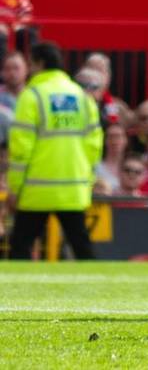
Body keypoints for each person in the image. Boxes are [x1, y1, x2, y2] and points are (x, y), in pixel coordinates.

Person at [5, 42, 103, 259]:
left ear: (39, 64)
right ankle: (97, 291)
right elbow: (94, 145)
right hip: (74, 188)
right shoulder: (82, 97)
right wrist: (88, 177)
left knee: (20, 246)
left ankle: (16, 293)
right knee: (82, 248)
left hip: (36, 188)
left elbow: (21, 149)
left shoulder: (31, 96)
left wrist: (15, 187)